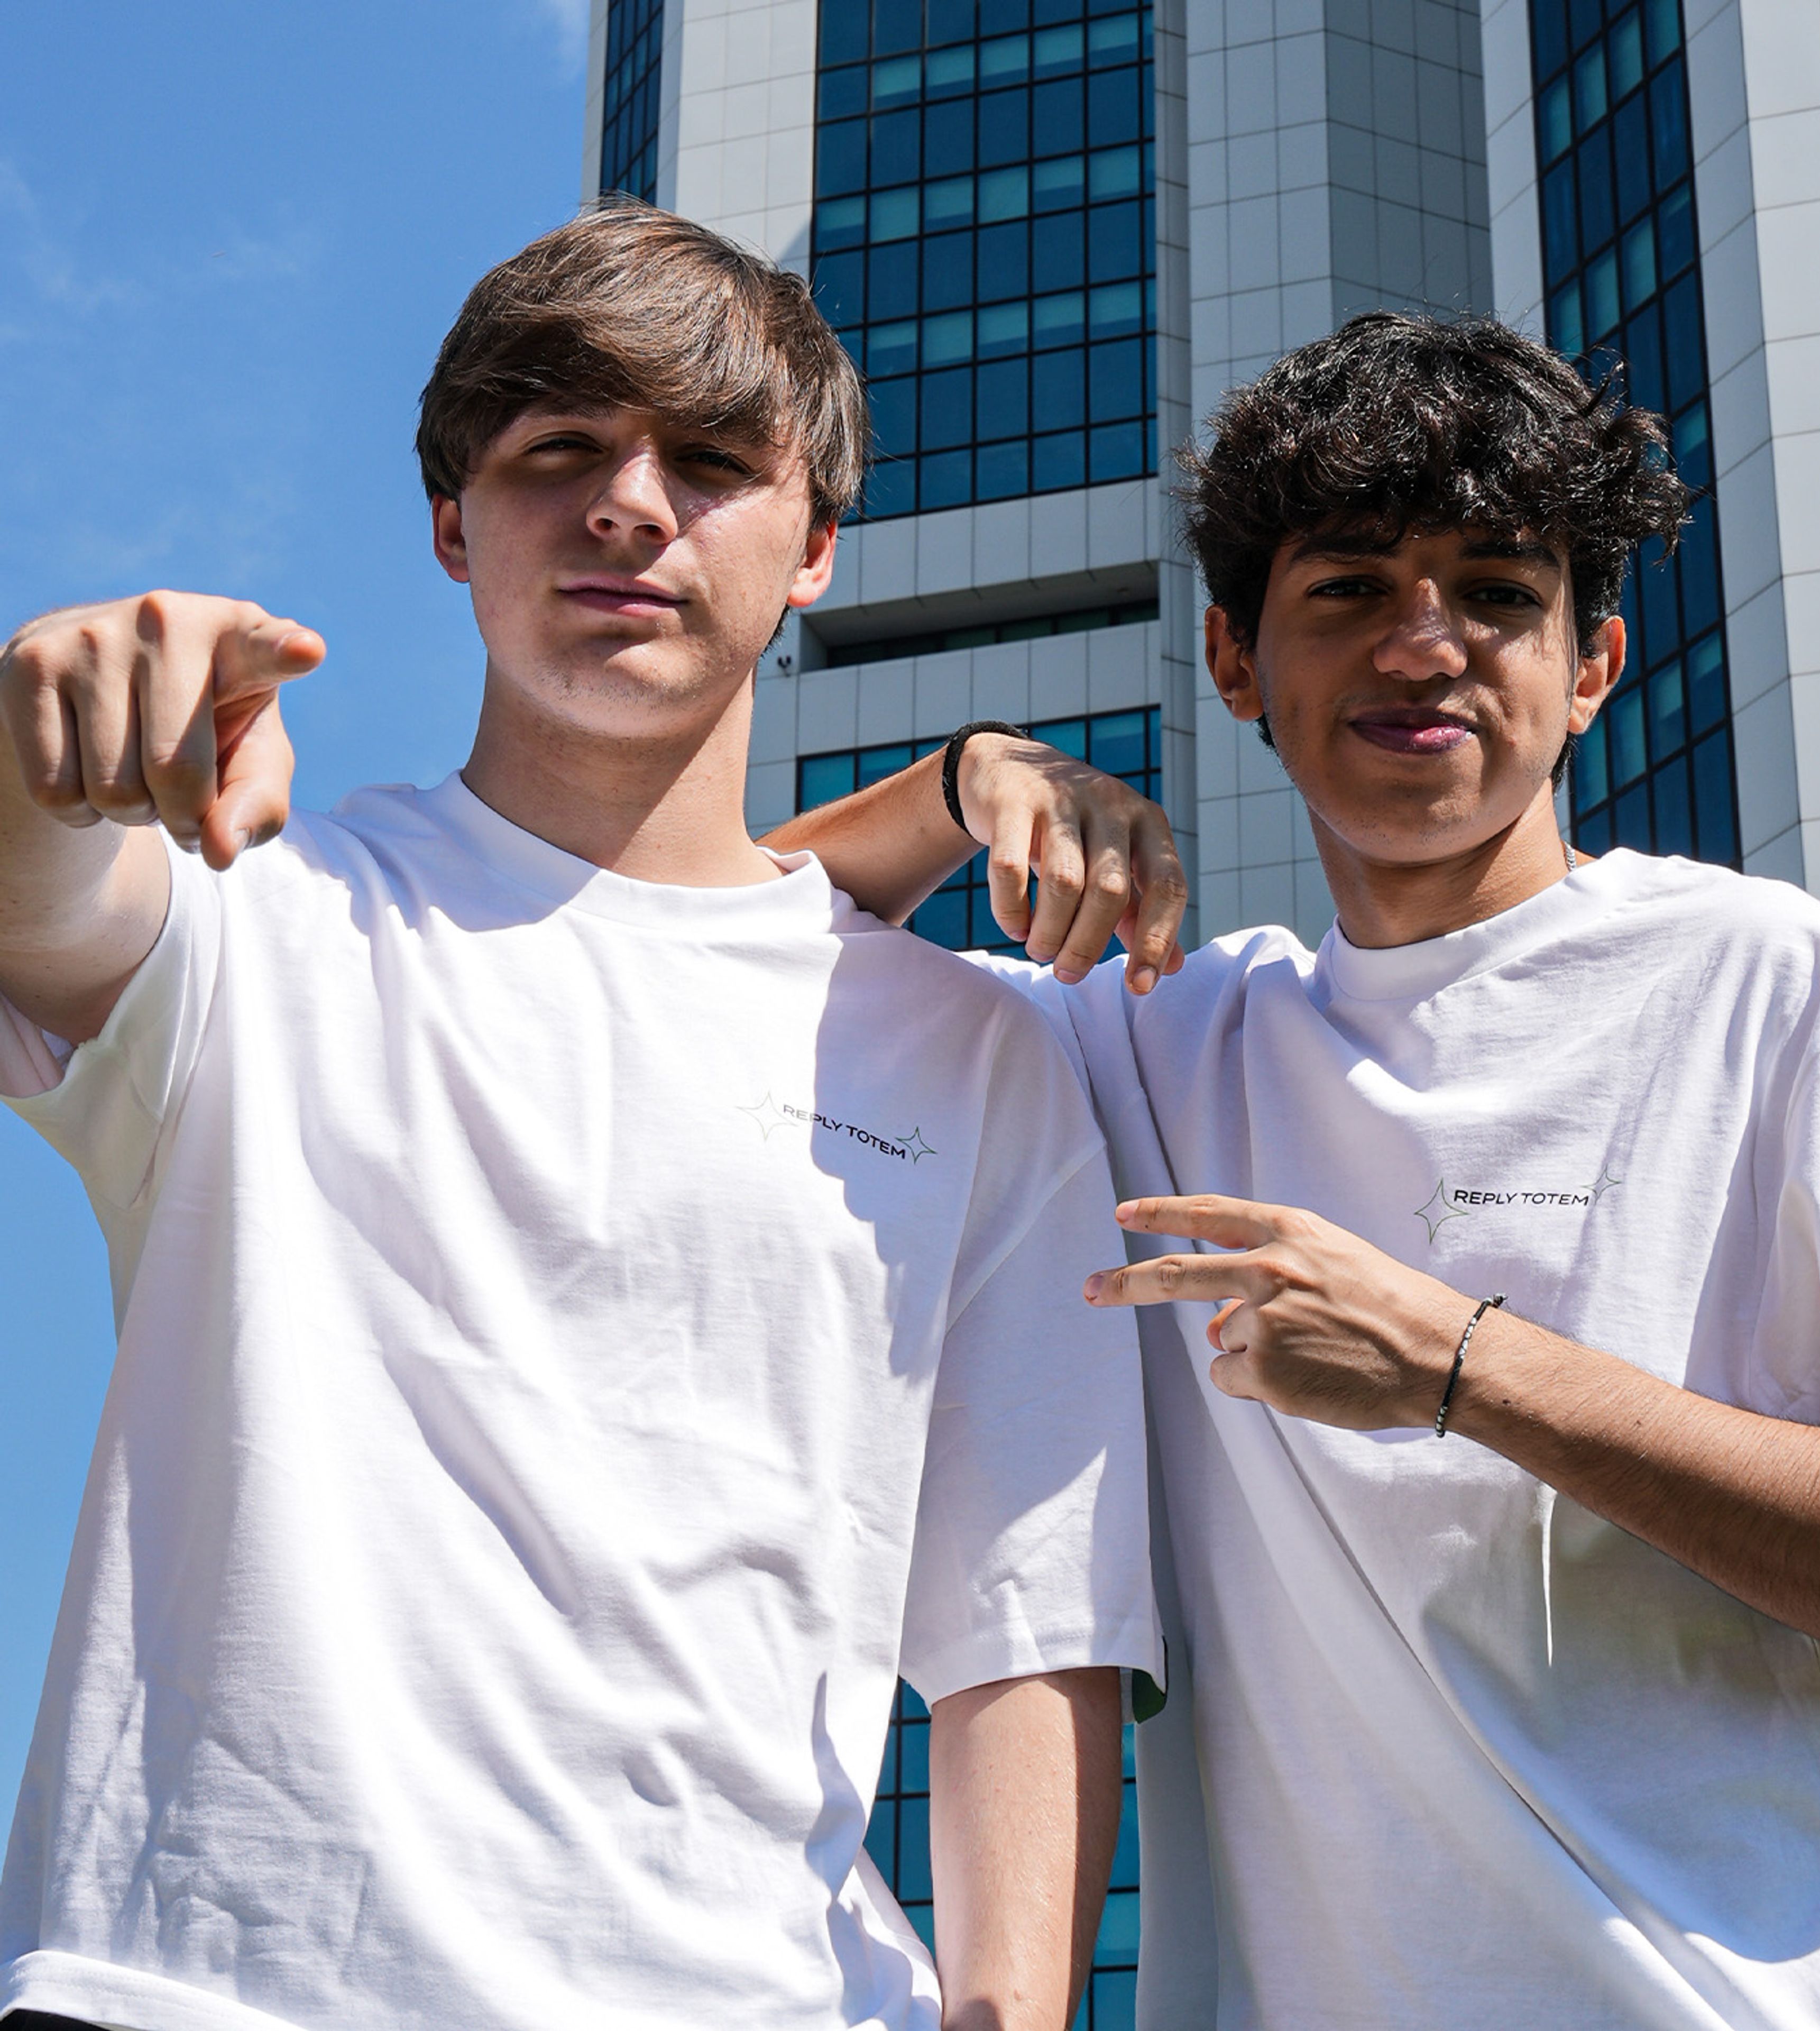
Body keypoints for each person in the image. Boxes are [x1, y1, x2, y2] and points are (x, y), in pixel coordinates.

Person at [774, 312, 1820, 2030]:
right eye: (1351, 589)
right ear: (1235, 661)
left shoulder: (1776, 987)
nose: (1425, 645)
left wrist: (1465, 1368)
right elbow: (719, 957)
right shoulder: (1147, 1036)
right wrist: (964, 777)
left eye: (1498, 592)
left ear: (1588, 664)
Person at [0, 204, 1164, 2031]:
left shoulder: (981, 1055)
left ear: (817, 554)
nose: (631, 506)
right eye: (560, 453)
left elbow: (1031, 1620)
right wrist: (37, 752)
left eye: (710, 463)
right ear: (454, 523)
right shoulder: (259, 922)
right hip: (211, 1989)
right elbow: (36, 912)